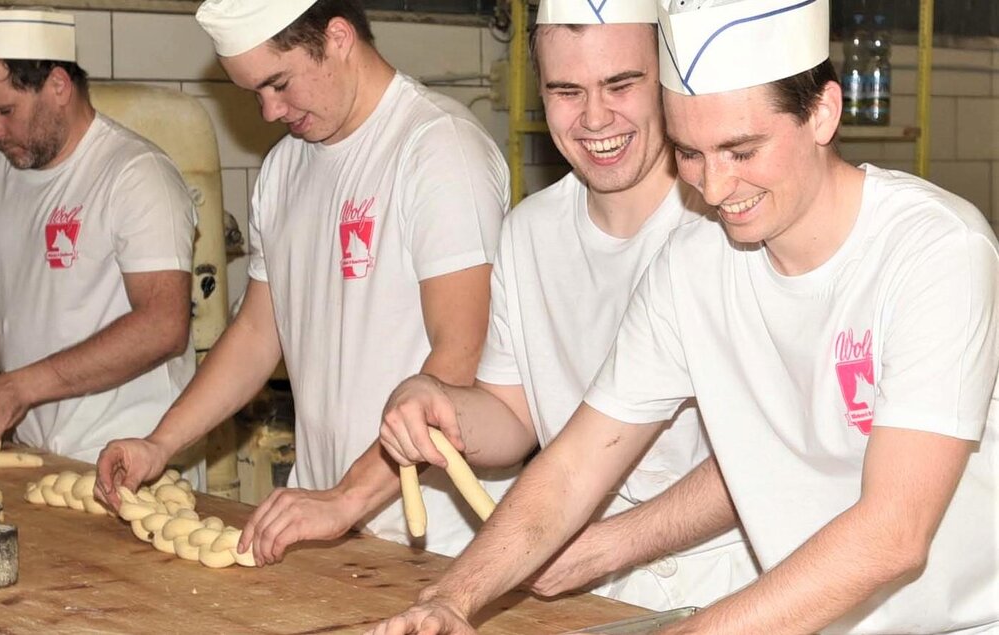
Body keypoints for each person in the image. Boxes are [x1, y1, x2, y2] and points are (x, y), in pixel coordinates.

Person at [369, 0, 999, 633]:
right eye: (690, 154)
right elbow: (575, 465)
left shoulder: (934, 250)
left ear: (822, 113)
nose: (715, 189)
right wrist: (451, 599)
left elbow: (892, 533)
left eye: (741, 151)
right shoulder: (693, 262)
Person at [94, 0, 512, 561]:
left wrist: (346, 498)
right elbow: (256, 335)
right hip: (327, 525)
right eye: (255, 93)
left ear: (338, 37)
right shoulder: (283, 168)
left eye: (279, 83)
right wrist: (159, 443)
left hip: (439, 539)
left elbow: (463, 354)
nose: (269, 111)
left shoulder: (437, 149)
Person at [377, 0, 756, 612]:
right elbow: (514, 415)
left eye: (621, 85)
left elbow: (768, 452)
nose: (595, 118)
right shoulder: (530, 233)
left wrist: (608, 545)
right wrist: (440, 405)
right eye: (566, 91)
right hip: (587, 591)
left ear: (666, 81)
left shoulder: (730, 227)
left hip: (732, 584)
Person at [0, 9, 198, 467]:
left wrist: (21, 387)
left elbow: (164, 325)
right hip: (38, 458)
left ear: (58, 86)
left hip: (137, 458)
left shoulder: (135, 175)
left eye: (5, 111)